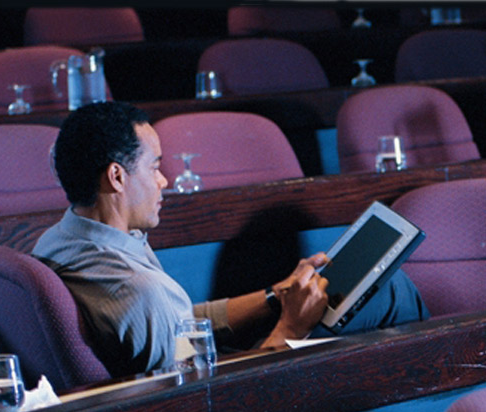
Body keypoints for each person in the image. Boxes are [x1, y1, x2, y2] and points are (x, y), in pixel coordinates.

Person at [32, 101, 429, 378]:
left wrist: (277, 295)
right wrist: (291, 325)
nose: (164, 180)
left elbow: (184, 328)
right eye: (154, 167)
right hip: (226, 401)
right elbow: (203, 406)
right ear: (117, 177)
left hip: (197, 369)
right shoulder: (140, 291)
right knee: (391, 289)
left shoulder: (59, 240)